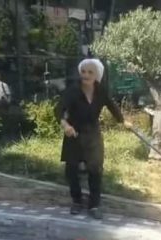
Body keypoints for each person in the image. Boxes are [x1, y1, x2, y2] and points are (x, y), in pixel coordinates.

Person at [55, 59, 132, 220]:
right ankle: (76, 201)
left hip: (93, 135)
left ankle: (94, 204)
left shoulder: (101, 91)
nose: (85, 75)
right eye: (83, 71)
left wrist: (123, 120)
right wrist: (65, 125)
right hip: (74, 133)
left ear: (97, 75)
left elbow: (112, 106)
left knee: (95, 169)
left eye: (90, 72)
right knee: (72, 170)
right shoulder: (72, 91)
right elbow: (58, 110)